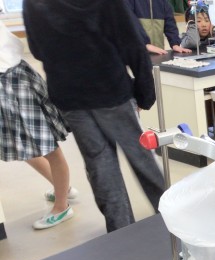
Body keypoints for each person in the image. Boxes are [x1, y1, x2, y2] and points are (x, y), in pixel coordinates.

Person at [23, 0, 166, 233]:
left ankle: (121, 233)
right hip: (110, 88)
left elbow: (37, 49)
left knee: (100, 166)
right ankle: (171, 219)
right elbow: (132, 43)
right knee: (141, 157)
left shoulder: (33, 3)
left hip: (69, 93)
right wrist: (145, 93)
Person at [0, 21, 76, 230]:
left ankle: (62, 206)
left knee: (48, 147)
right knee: (25, 146)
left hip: (11, 80)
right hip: (12, 77)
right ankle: (63, 189)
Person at [125, 0, 192, 54]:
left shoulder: (163, 2)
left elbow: (170, 24)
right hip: (136, 55)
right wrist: (145, 44)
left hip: (158, 53)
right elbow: (128, 23)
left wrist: (175, 44)